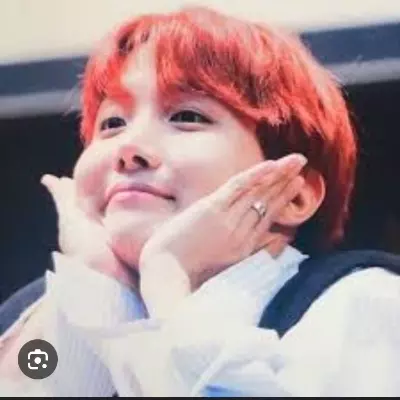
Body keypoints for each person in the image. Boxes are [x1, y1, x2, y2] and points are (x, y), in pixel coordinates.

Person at [1, 6, 399, 397]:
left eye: (187, 117)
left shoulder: (364, 305)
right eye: (112, 123)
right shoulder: (37, 312)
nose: (128, 148)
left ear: (295, 196)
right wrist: (98, 289)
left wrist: (171, 284)